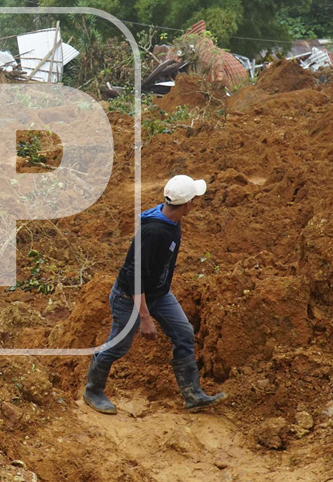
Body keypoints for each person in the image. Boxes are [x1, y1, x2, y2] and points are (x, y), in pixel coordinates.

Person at [84, 175, 227, 413]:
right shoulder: (153, 232)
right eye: (194, 200)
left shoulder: (172, 219)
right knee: (119, 345)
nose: (196, 204)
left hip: (158, 294)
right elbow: (134, 277)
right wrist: (145, 317)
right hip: (129, 297)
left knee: (184, 332)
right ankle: (93, 390)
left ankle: (193, 395)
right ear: (186, 204)